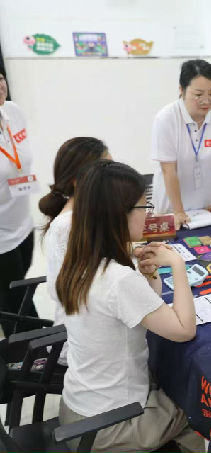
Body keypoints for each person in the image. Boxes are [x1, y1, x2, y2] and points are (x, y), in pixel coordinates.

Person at [56, 161, 204, 452]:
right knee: (202, 404)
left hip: (77, 409)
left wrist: (149, 274)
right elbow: (184, 330)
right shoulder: (118, 278)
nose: (148, 213)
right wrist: (177, 265)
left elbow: (141, 305)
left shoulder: (79, 261)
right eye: (143, 206)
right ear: (118, 214)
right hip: (108, 427)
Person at [39, 137, 111, 365]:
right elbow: (91, 291)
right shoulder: (70, 226)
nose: (114, 176)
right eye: (105, 170)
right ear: (77, 181)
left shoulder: (83, 213)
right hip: (81, 340)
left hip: (87, 322)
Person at [151, 59, 211, 228]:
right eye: (198, 95)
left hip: (205, 208)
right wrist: (178, 212)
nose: (206, 101)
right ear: (181, 90)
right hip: (170, 209)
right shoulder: (166, 118)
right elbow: (168, 170)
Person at [0, 68, 38, 335]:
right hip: (1, 235)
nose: (0, 86)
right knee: (14, 299)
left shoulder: (13, 112)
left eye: (0, 79)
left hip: (22, 221)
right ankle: (24, 350)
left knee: (18, 286)